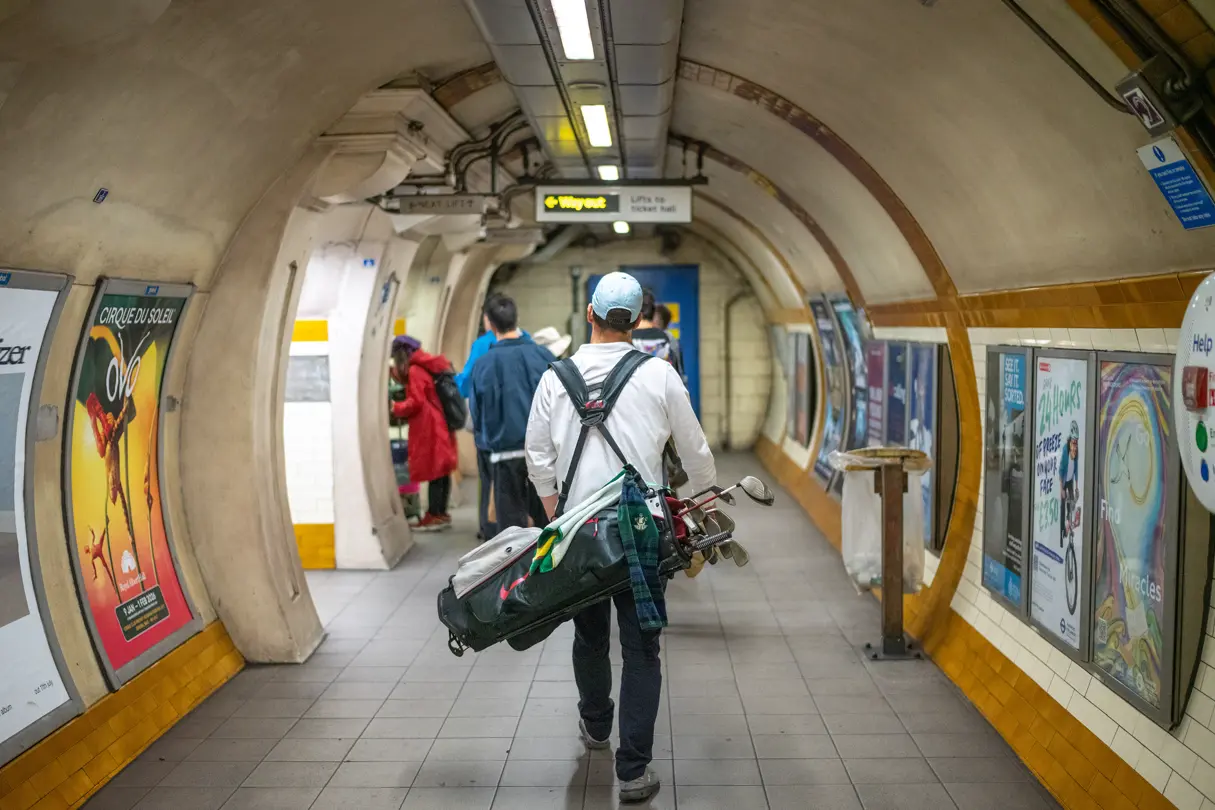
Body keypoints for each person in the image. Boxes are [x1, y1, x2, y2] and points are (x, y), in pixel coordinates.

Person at [525, 271, 717, 803]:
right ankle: (633, 771)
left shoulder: (553, 377)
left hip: (577, 531)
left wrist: (556, 517)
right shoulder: (658, 375)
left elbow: (537, 459)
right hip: (643, 530)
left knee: (589, 637)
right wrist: (702, 502)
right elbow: (697, 456)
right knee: (642, 648)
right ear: (638, 322)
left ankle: (596, 726)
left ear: (589, 314)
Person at [469, 296, 552, 530]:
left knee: (511, 529)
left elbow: (477, 411)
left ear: (489, 323)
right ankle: (549, 565)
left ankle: (518, 567)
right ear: (517, 319)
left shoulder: (483, 364)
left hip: (503, 454)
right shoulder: (543, 356)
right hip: (543, 453)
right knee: (549, 522)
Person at [457, 295, 530, 540]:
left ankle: (490, 533)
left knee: (493, 491)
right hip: (535, 445)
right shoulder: (538, 351)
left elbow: (469, 390)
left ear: (489, 321)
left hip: (497, 444)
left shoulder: (482, 349)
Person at [390, 335, 458, 532]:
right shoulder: (424, 366)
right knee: (442, 471)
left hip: (429, 426)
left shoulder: (414, 370)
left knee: (435, 471)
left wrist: (396, 407)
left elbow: (416, 401)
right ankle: (441, 513)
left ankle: (434, 515)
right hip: (436, 423)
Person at [630, 289, 684, 380]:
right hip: (659, 391)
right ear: (653, 311)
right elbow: (676, 376)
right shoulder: (666, 340)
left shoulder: (622, 337)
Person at [652, 303, 686, 383]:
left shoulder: (669, 340)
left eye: (654, 318)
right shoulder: (651, 337)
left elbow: (678, 368)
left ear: (661, 321)